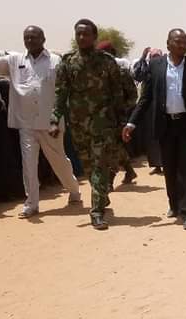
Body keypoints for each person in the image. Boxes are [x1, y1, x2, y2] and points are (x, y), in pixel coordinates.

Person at [0, 18, 80, 217]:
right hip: (26, 123)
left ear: (43, 39)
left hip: (50, 123)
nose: (29, 40)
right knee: (29, 165)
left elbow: (64, 90)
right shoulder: (14, 60)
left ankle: (74, 190)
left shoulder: (55, 61)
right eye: (26, 38)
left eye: (34, 37)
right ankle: (31, 203)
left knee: (59, 161)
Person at [124, 29, 186, 230]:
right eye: (178, 42)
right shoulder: (156, 66)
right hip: (165, 125)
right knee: (169, 168)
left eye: (184, 42)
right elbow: (146, 98)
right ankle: (174, 204)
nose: (182, 45)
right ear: (168, 44)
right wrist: (131, 123)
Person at [52, 19, 129, 230]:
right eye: (78, 34)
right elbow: (60, 93)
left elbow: (117, 92)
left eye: (86, 34)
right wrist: (54, 119)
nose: (82, 37)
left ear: (94, 37)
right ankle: (101, 195)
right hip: (78, 124)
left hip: (103, 123)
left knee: (100, 164)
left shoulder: (107, 62)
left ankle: (96, 211)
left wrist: (121, 120)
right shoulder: (68, 62)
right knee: (88, 166)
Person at [97, 41, 138, 186]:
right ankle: (129, 170)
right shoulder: (96, 73)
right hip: (101, 116)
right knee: (113, 146)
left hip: (119, 117)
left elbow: (133, 95)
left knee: (113, 147)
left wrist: (123, 110)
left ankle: (109, 180)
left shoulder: (122, 72)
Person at [132, 47, 164, 175]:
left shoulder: (166, 68)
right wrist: (142, 57)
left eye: (157, 57)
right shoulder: (147, 69)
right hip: (149, 107)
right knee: (151, 136)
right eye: (152, 57)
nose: (155, 59)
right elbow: (137, 75)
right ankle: (156, 165)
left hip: (163, 106)